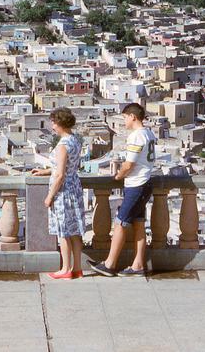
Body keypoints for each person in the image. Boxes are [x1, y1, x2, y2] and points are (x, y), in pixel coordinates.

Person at [92, 103, 156, 277]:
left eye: (125, 117)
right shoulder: (149, 133)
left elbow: (129, 164)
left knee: (120, 222)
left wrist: (118, 176)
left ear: (133, 117)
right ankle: (138, 265)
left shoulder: (136, 136)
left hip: (136, 184)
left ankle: (110, 263)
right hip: (146, 182)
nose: (124, 121)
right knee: (139, 224)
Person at [32, 108, 85, 279]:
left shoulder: (62, 145)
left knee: (63, 232)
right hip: (74, 188)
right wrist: (44, 172)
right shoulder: (75, 141)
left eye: (54, 122)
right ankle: (77, 268)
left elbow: (61, 174)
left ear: (61, 123)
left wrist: (49, 197)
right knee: (75, 231)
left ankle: (65, 269)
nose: (52, 125)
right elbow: (67, 168)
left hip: (63, 192)